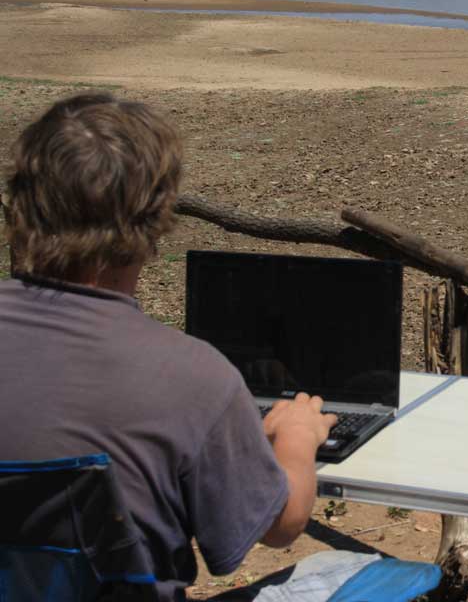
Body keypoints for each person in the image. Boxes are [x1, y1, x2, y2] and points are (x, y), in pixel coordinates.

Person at [0, 93, 361, 600]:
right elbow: (281, 526)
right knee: (347, 571)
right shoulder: (193, 377)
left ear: (23, 204)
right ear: (153, 221)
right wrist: (297, 440)